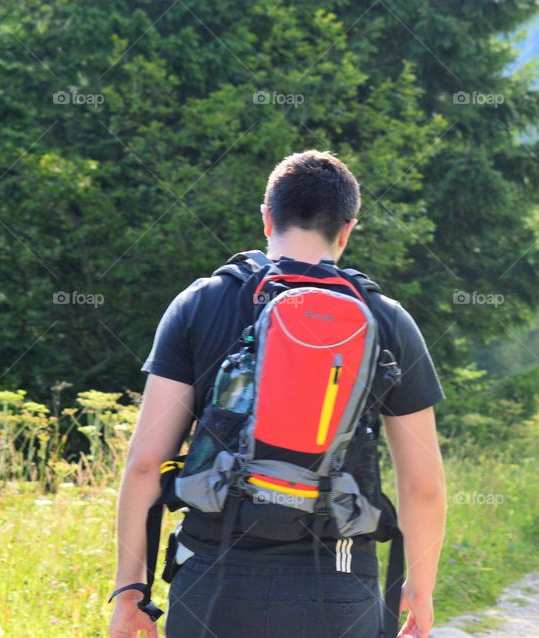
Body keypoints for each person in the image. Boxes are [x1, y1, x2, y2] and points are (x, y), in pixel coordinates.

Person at [108, 151, 447, 638]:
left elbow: (144, 463)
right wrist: (419, 586)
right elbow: (424, 486)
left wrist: (130, 591)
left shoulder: (200, 303)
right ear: (347, 229)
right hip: (340, 585)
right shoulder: (386, 319)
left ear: (267, 216)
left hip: (213, 579)